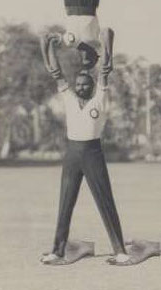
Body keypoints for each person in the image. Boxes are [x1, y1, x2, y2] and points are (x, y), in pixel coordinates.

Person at [38, 31, 136, 266]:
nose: (81, 87)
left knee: (105, 201)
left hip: (92, 153)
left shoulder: (100, 98)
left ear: (92, 87)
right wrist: (48, 47)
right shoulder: (69, 97)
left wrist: (107, 41)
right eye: (79, 84)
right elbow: (56, 73)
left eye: (85, 85)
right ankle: (57, 250)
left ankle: (120, 250)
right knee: (65, 202)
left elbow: (105, 69)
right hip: (72, 154)